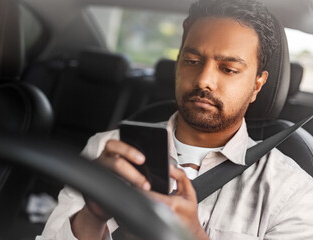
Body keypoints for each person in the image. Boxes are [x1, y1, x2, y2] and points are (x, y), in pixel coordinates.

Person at [37, 0, 313, 239]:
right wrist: (92, 216)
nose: (204, 80)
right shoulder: (107, 150)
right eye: (192, 61)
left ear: (257, 84)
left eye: (228, 69)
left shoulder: (290, 191)